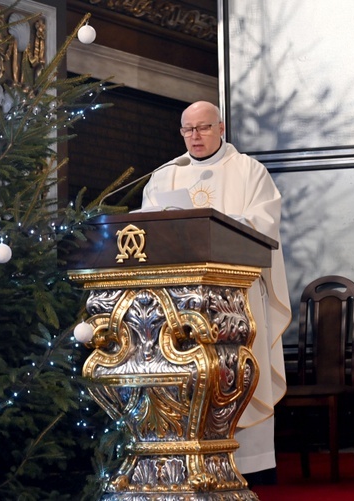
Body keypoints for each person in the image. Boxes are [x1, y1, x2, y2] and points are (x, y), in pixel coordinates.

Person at [141, 101, 292, 484]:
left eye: (203, 128)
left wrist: (217, 225)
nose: (195, 136)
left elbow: (263, 227)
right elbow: (148, 233)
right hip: (179, 303)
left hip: (235, 297)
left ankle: (251, 466)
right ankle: (187, 463)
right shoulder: (164, 177)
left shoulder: (249, 172)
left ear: (221, 128)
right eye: (188, 129)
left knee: (240, 373)